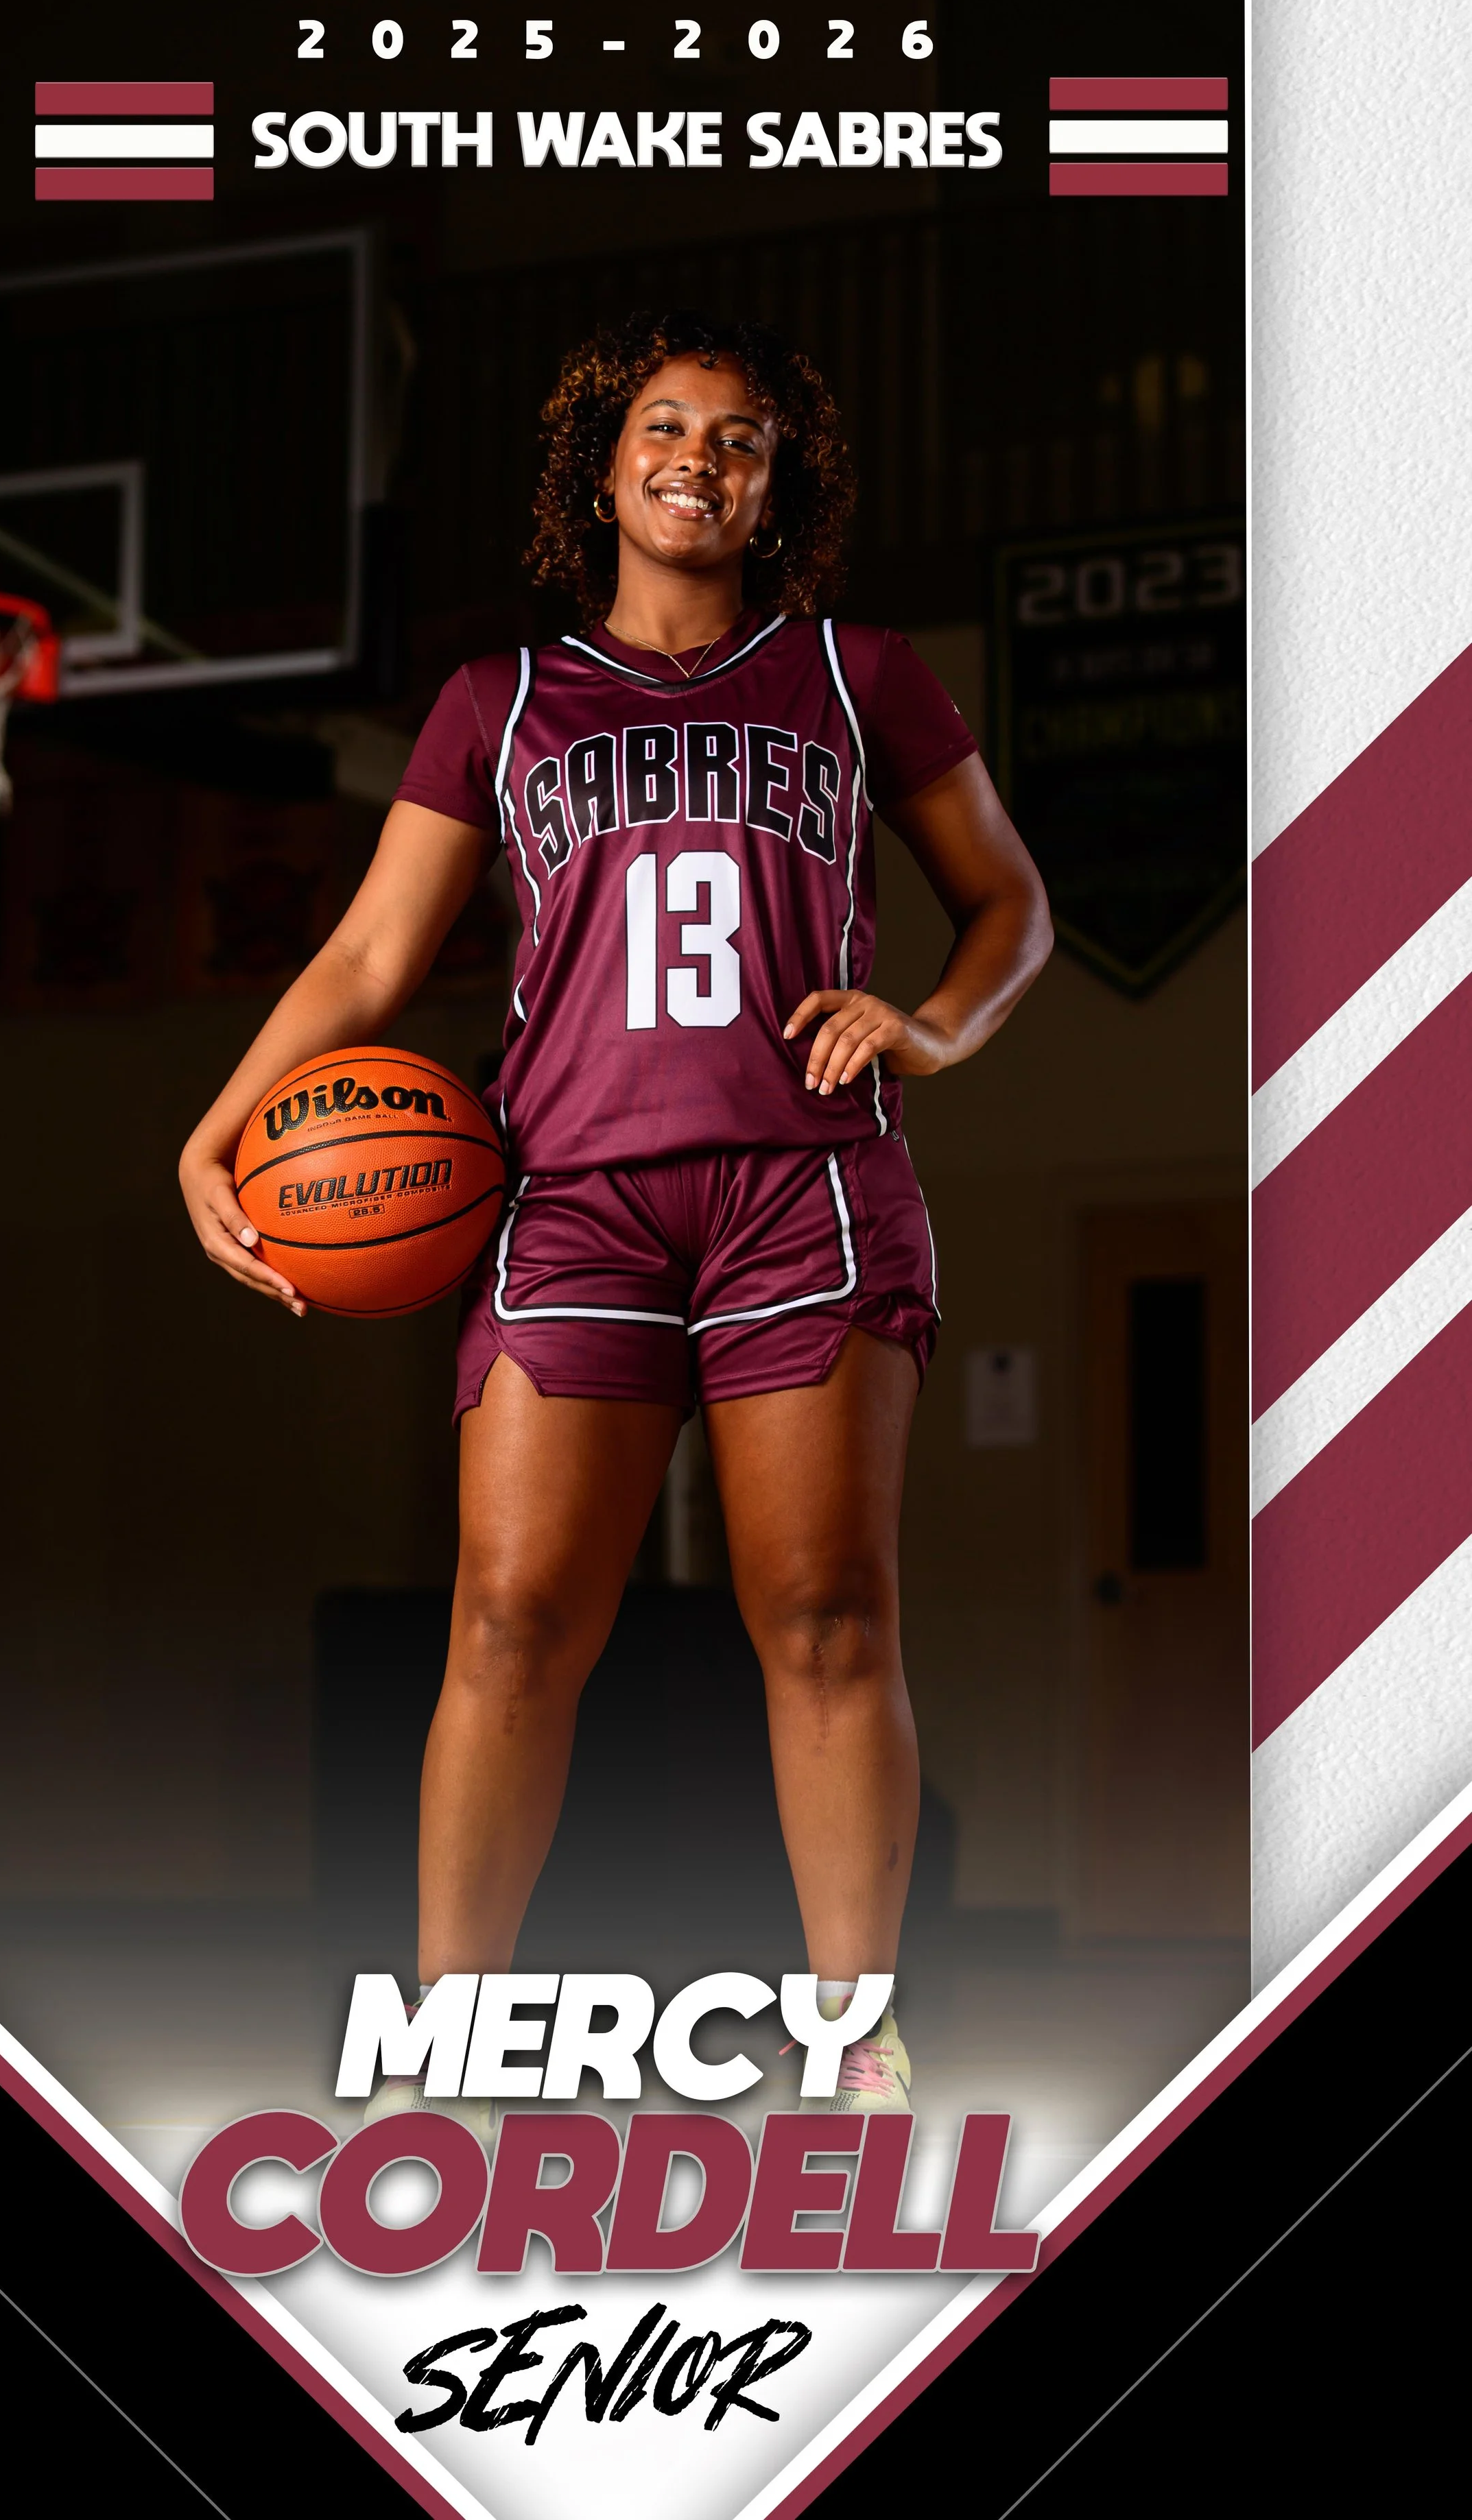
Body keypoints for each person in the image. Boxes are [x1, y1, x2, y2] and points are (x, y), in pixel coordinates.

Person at [179, 310, 1052, 2132]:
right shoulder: (495, 706)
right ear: (598, 464)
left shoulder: (853, 673)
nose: (702, 457)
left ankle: (851, 2045)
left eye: (741, 439)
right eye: (667, 426)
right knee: (506, 1621)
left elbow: (1007, 904)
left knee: (824, 1616)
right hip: (566, 1192)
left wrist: (936, 1025)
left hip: (798, 1184)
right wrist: (219, 1129)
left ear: (776, 483)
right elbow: (368, 955)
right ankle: (451, 2052)